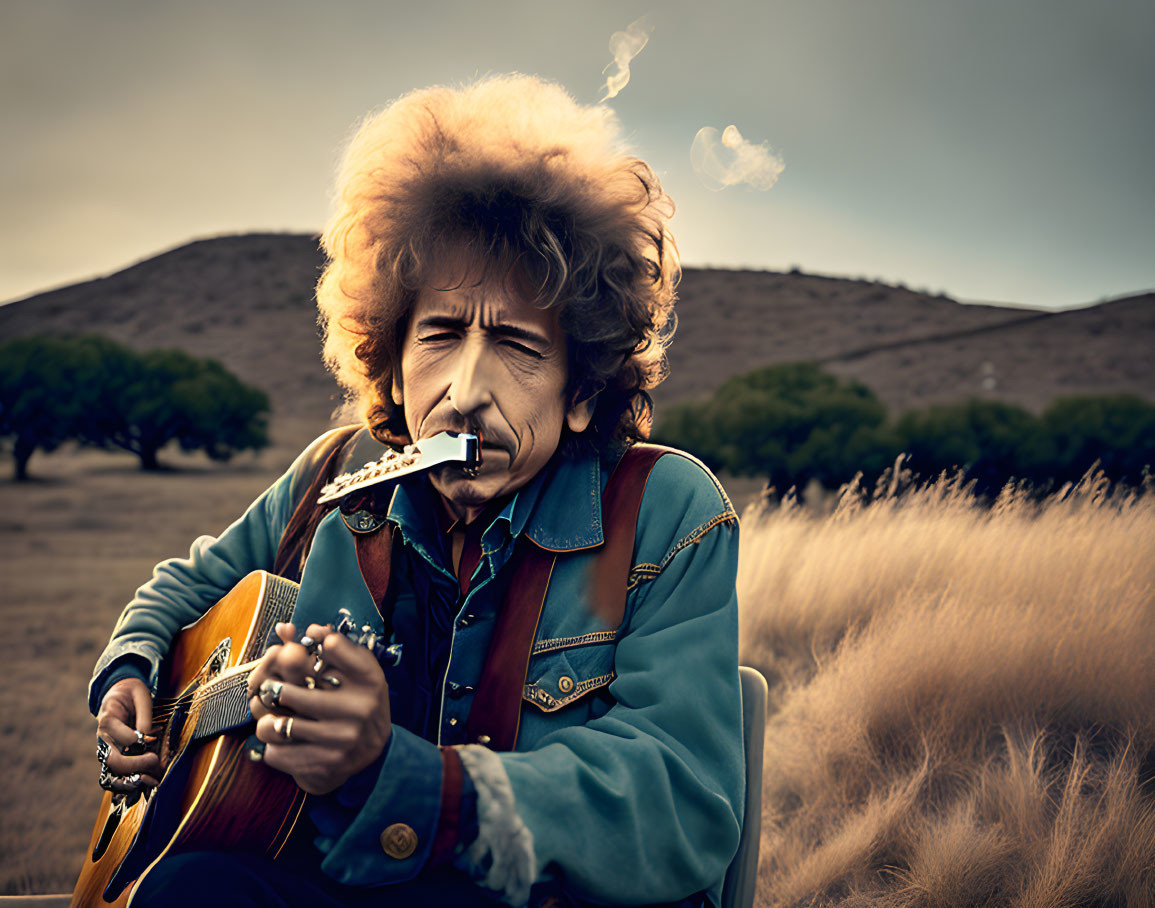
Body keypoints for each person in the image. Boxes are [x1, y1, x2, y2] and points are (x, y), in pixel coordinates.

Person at [90, 74, 744, 907]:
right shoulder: (334, 473)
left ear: (581, 390)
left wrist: (405, 776)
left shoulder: (667, 511)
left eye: (515, 344)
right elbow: (185, 590)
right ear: (392, 368)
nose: (464, 390)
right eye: (438, 334)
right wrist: (131, 669)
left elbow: (683, 800)